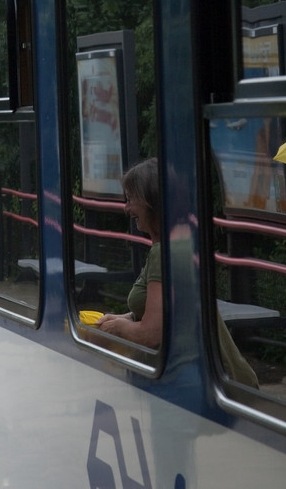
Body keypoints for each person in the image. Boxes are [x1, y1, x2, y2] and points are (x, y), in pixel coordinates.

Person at [96, 159, 260, 388]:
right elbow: (171, 311)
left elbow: (150, 334)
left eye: (131, 199)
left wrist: (116, 329)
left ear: (151, 201)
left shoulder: (163, 252)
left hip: (196, 381)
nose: (127, 208)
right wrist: (125, 318)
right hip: (205, 375)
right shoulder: (178, 244)